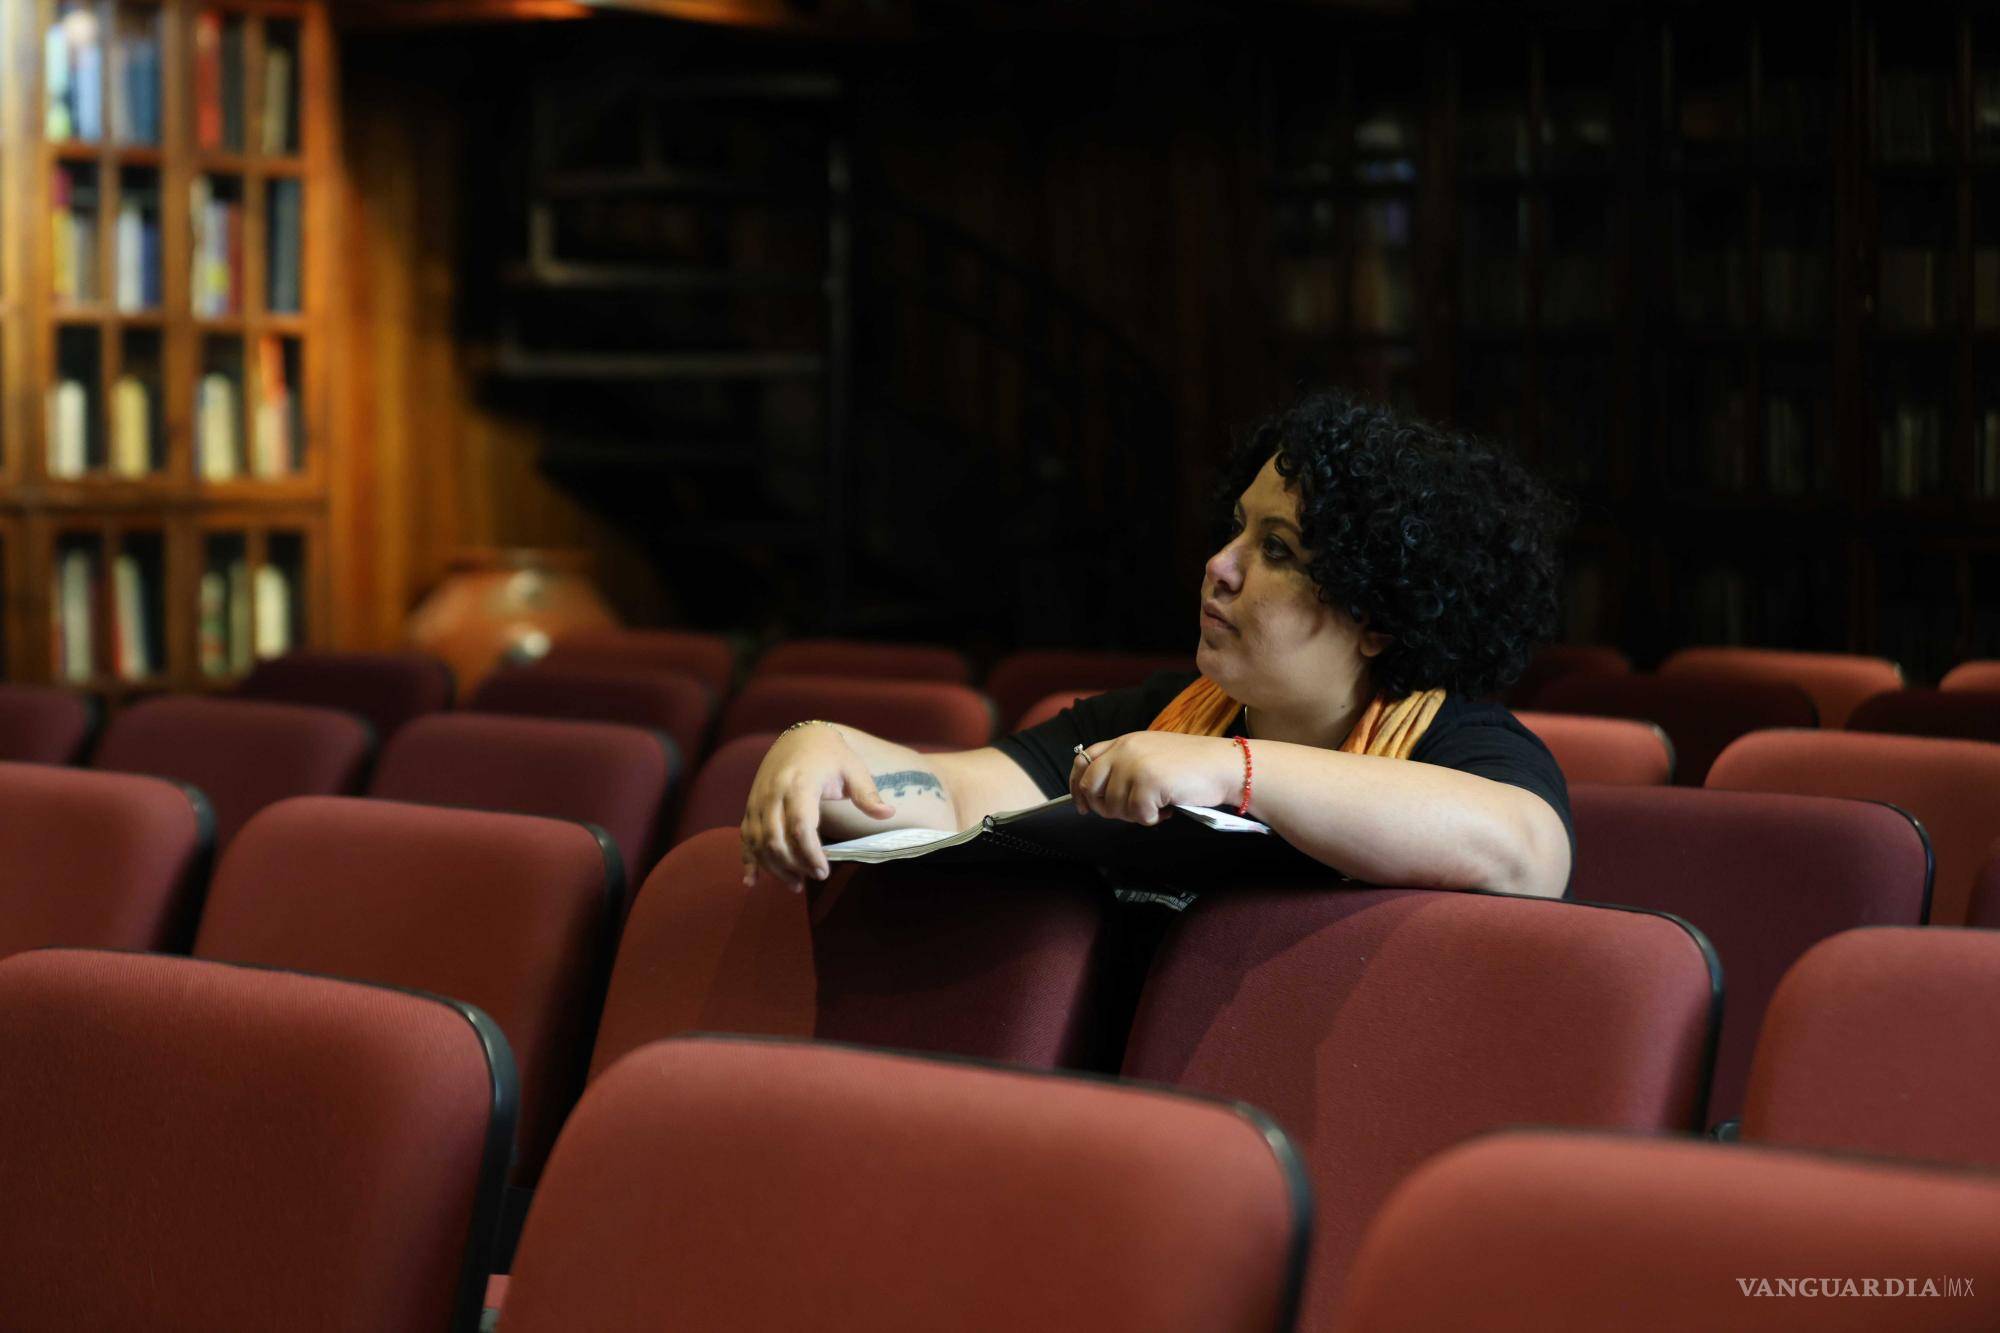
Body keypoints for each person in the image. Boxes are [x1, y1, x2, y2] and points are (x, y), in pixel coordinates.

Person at [740, 388, 1575, 899]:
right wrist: (823, 749)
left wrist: (1236, 773)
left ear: (1379, 618)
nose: (1220, 565)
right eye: (1237, 530)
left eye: (1276, 550)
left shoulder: (1461, 740)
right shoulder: (1170, 716)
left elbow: (1526, 856)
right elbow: (958, 802)